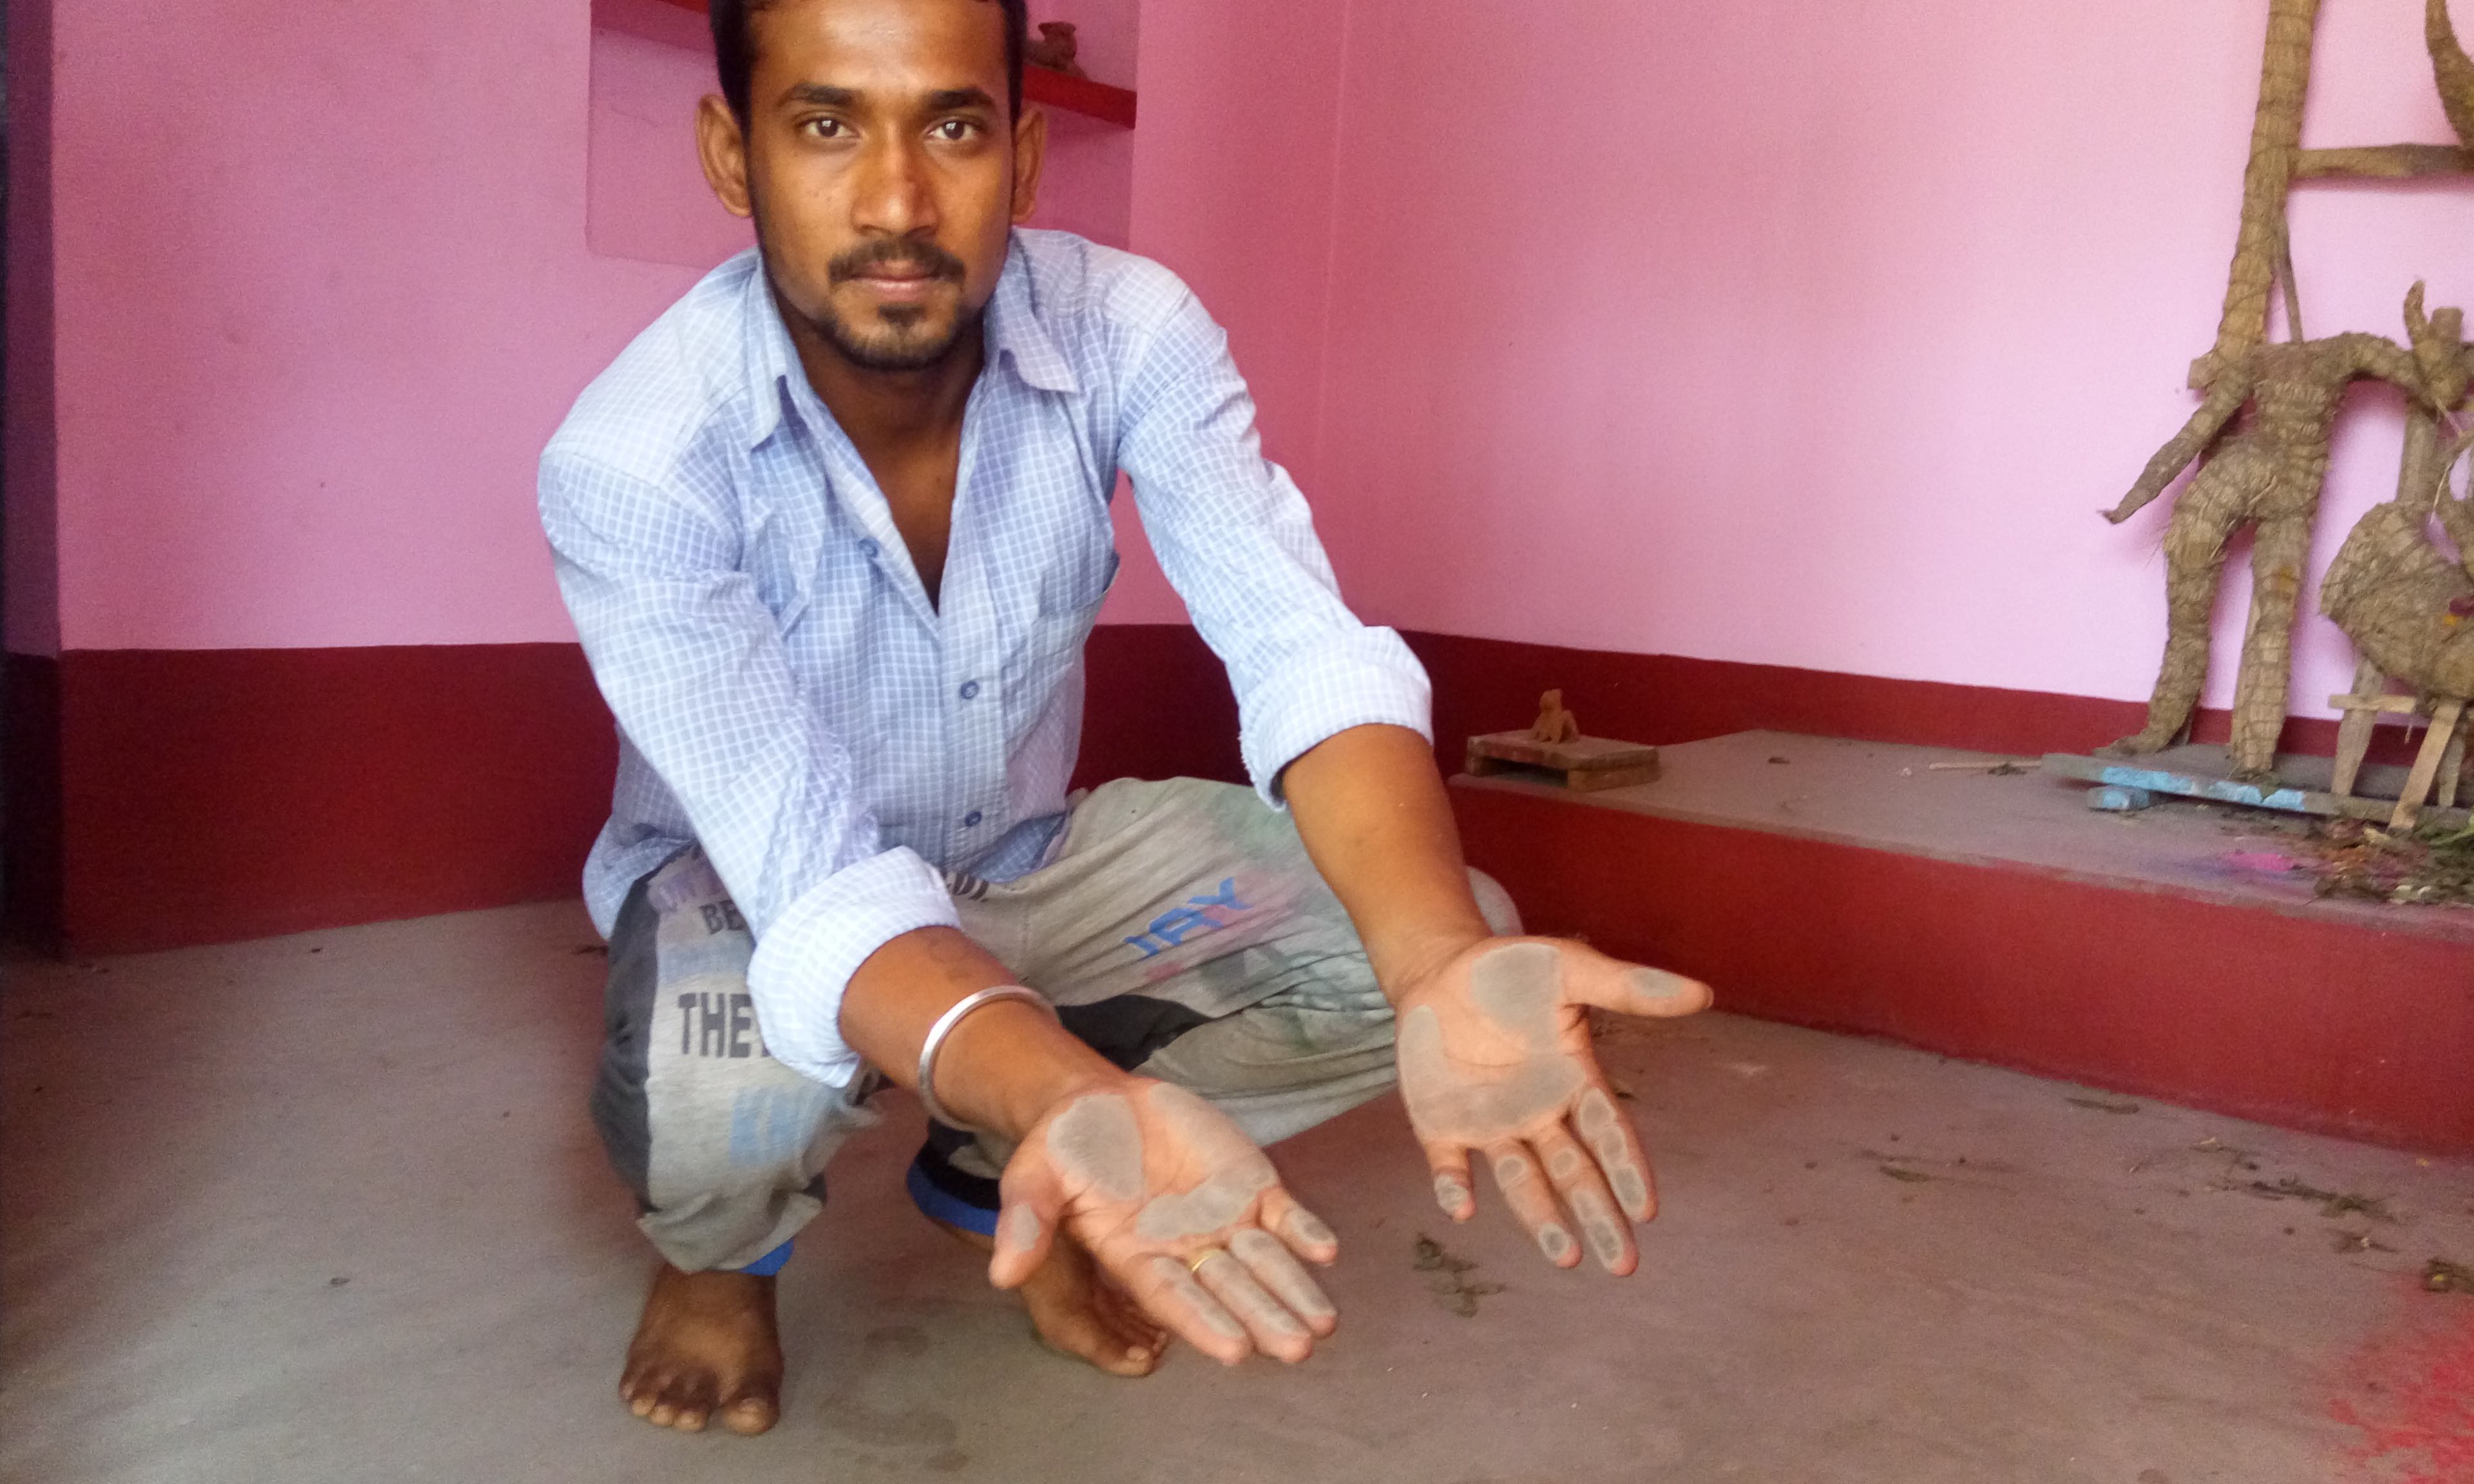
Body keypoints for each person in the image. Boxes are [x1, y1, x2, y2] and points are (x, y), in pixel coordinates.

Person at [538, 0, 1711, 1437]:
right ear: (733, 154)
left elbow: (1298, 650)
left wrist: (1433, 958)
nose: (899, 202)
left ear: (1024, 156)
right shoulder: (634, 457)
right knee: (712, 1075)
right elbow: (811, 881)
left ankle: (993, 1169)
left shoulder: (1130, 332)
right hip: (754, 894)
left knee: (1421, 915)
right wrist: (1067, 1080)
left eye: (953, 125)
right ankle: (724, 1261)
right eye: (827, 124)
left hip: (1031, 859)